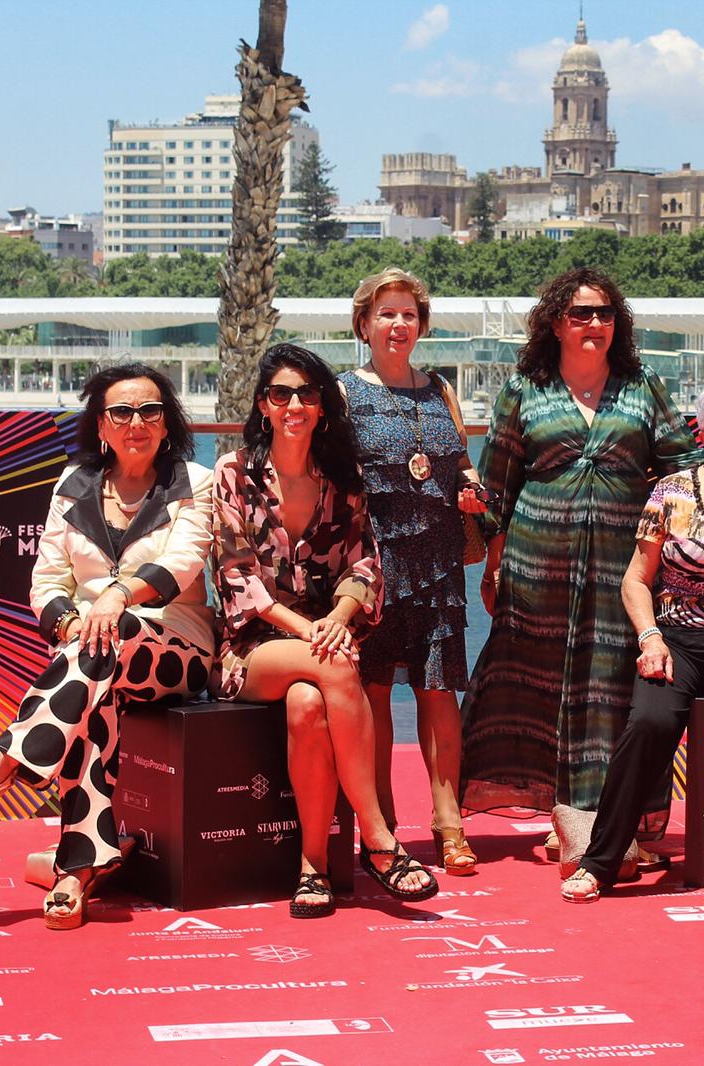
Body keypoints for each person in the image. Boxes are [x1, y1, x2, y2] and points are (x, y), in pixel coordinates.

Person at [0, 363, 214, 930]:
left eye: (151, 411)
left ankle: (8, 758)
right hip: (95, 653)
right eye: (122, 412)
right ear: (101, 425)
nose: (137, 422)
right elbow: (47, 582)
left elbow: (182, 562)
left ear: (167, 424)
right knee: (96, 702)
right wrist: (70, 623)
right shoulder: (73, 486)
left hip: (175, 648)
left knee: (105, 637)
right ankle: (77, 871)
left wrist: (115, 596)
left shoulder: (195, 481)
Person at [462, 267, 704, 825]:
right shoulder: (524, 390)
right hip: (535, 564)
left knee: (612, 686)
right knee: (534, 683)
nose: (595, 324)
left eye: (605, 314)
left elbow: (684, 468)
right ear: (555, 324)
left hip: (622, 566)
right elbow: (495, 484)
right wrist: (493, 565)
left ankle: (610, 816)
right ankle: (557, 812)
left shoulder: (642, 386)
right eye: (581, 314)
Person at [212, 343, 438, 917]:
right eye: (281, 394)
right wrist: (313, 634)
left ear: (321, 406)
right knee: (332, 667)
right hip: (252, 648)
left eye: (307, 394)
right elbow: (238, 580)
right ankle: (380, 839)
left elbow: (365, 564)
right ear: (263, 404)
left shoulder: (343, 478)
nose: (294, 405)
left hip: (324, 640)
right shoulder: (233, 474)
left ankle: (312, 867)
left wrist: (336, 619)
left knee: (309, 705)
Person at [560, 374, 704, 906]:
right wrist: (650, 637)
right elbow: (636, 578)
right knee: (652, 721)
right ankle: (601, 859)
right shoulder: (671, 492)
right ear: (703, 433)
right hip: (678, 635)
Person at [338, 268, 487, 876]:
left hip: (439, 560)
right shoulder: (345, 391)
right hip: (376, 563)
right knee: (371, 693)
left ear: (421, 326)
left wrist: (472, 490)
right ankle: (384, 828)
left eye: (408, 314)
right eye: (386, 313)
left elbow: (463, 465)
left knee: (438, 688)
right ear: (364, 325)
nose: (398, 324)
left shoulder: (441, 389)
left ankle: (449, 824)